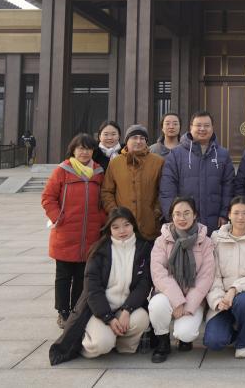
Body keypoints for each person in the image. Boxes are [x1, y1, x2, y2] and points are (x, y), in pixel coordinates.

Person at [49, 207, 152, 365]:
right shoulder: (99, 251)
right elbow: (92, 290)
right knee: (101, 344)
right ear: (109, 229)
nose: (122, 231)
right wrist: (108, 318)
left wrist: (127, 310)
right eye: (115, 227)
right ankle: (90, 343)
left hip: (125, 308)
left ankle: (121, 345)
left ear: (133, 225)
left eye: (126, 225)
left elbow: (144, 285)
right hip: (99, 311)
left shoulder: (143, 248)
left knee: (142, 318)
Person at [41, 133, 107, 328]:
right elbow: (48, 197)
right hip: (65, 233)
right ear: (73, 150)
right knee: (63, 276)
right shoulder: (62, 171)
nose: (84, 152)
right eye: (80, 148)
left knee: (81, 276)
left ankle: (76, 311)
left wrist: (101, 220)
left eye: (88, 149)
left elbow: (104, 200)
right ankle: (63, 312)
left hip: (90, 235)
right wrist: (58, 217)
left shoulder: (98, 172)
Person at [148, 196, 215, 363]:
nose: (182, 218)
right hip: (167, 295)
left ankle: (184, 339)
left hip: (194, 298)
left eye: (186, 213)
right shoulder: (162, 241)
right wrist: (177, 300)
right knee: (157, 305)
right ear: (171, 216)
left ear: (195, 215)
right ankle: (163, 341)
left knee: (186, 332)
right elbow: (158, 273)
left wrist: (188, 304)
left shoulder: (205, 242)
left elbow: (205, 277)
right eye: (177, 214)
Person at [203, 196, 245, 359]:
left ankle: (243, 343)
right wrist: (219, 300)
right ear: (229, 215)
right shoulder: (216, 239)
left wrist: (234, 289)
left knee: (244, 300)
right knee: (214, 342)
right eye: (236, 213)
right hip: (223, 300)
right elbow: (212, 275)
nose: (240, 217)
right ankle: (239, 331)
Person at [160, 110, 235, 233]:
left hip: (215, 222)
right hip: (184, 222)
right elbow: (167, 189)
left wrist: (224, 214)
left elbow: (229, 187)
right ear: (191, 127)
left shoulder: (222, 154)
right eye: (198, 125)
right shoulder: (176, 154)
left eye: (206, 125)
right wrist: (172, 216)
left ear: (212, 128)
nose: (202, 129)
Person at [101, 124, 165, 241]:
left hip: (150, 227)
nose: (138, 141)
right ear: (127, 141)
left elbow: (164, 191)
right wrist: (115, 212)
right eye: (134, 137)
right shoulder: (115, 163)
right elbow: (107, 191)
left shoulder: (158, 162)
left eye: (142, 138)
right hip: (122, 227)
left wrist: (155, 213)